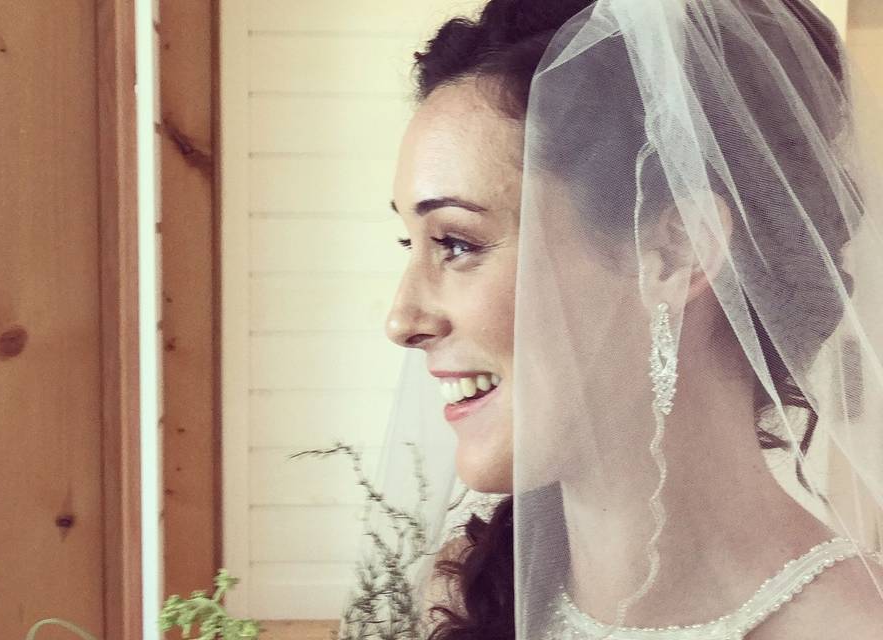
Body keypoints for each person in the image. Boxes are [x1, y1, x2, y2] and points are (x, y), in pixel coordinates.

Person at [363, 0, 883, 638]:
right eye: (408, 243)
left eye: (457, 243)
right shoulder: (464, 591)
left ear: (676, 250)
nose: (401, 319)